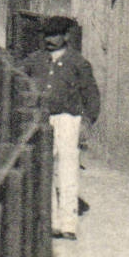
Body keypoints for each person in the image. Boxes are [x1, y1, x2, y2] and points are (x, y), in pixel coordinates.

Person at [22, 17, 100, 240]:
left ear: (66, 36)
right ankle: (51, 221)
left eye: (54, 35)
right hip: (41, 119)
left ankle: (68, 224)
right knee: (44, 168)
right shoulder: (35, 60)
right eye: (46, 35)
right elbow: (17, 75)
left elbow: (91, 95)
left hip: (67, 120)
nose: (49, 40)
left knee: (67, 169)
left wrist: (87, 122)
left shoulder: (78, 63)